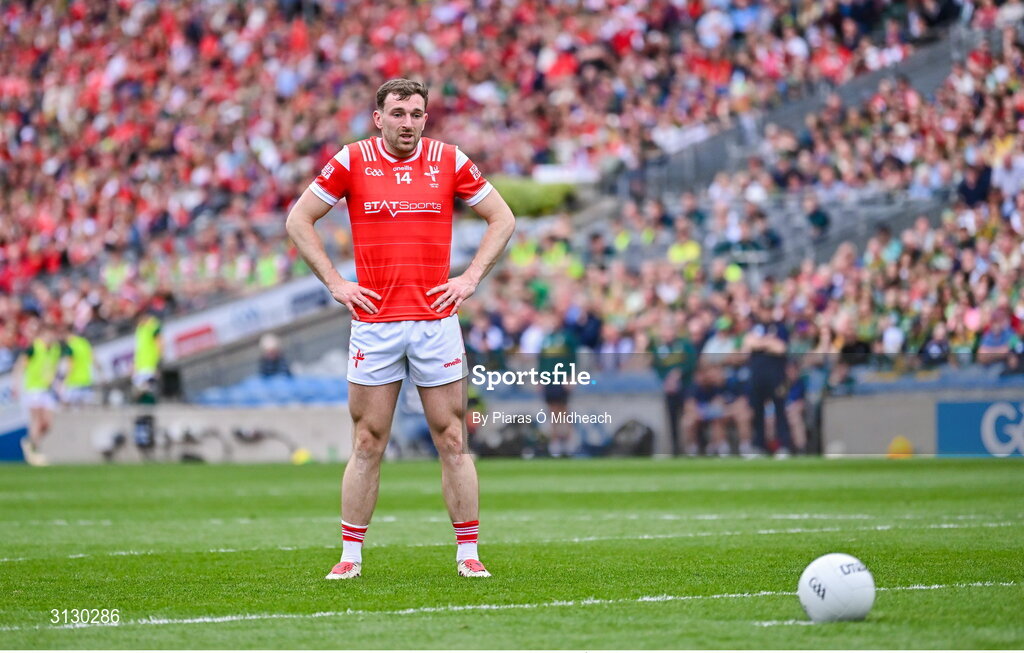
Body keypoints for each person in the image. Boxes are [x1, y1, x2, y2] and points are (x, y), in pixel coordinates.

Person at [285, 79, 515, 580]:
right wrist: (335, 283)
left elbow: (502, 217)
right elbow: (299, 219)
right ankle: (350, 558)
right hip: (375, 323)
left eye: (416, 113)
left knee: (452, 436)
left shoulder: (450, 160)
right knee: (368, 440)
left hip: (436, 322)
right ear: (379, 117)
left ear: (425, 118)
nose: (408, 122)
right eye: (398, 113)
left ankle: (468, 554)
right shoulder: (352, 159)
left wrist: (471, 277)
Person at [12, 323, 67, 466]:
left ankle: (30, 442)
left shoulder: (55, 349)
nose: (50, 338)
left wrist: (58, 385)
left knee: (48, 423)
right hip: (33, 389)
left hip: (47, 389)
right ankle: (34, 452)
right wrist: (16, 386)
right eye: (47, 335)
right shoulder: (33, 348)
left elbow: (55, 368)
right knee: (37, 420)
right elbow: (20, 366)